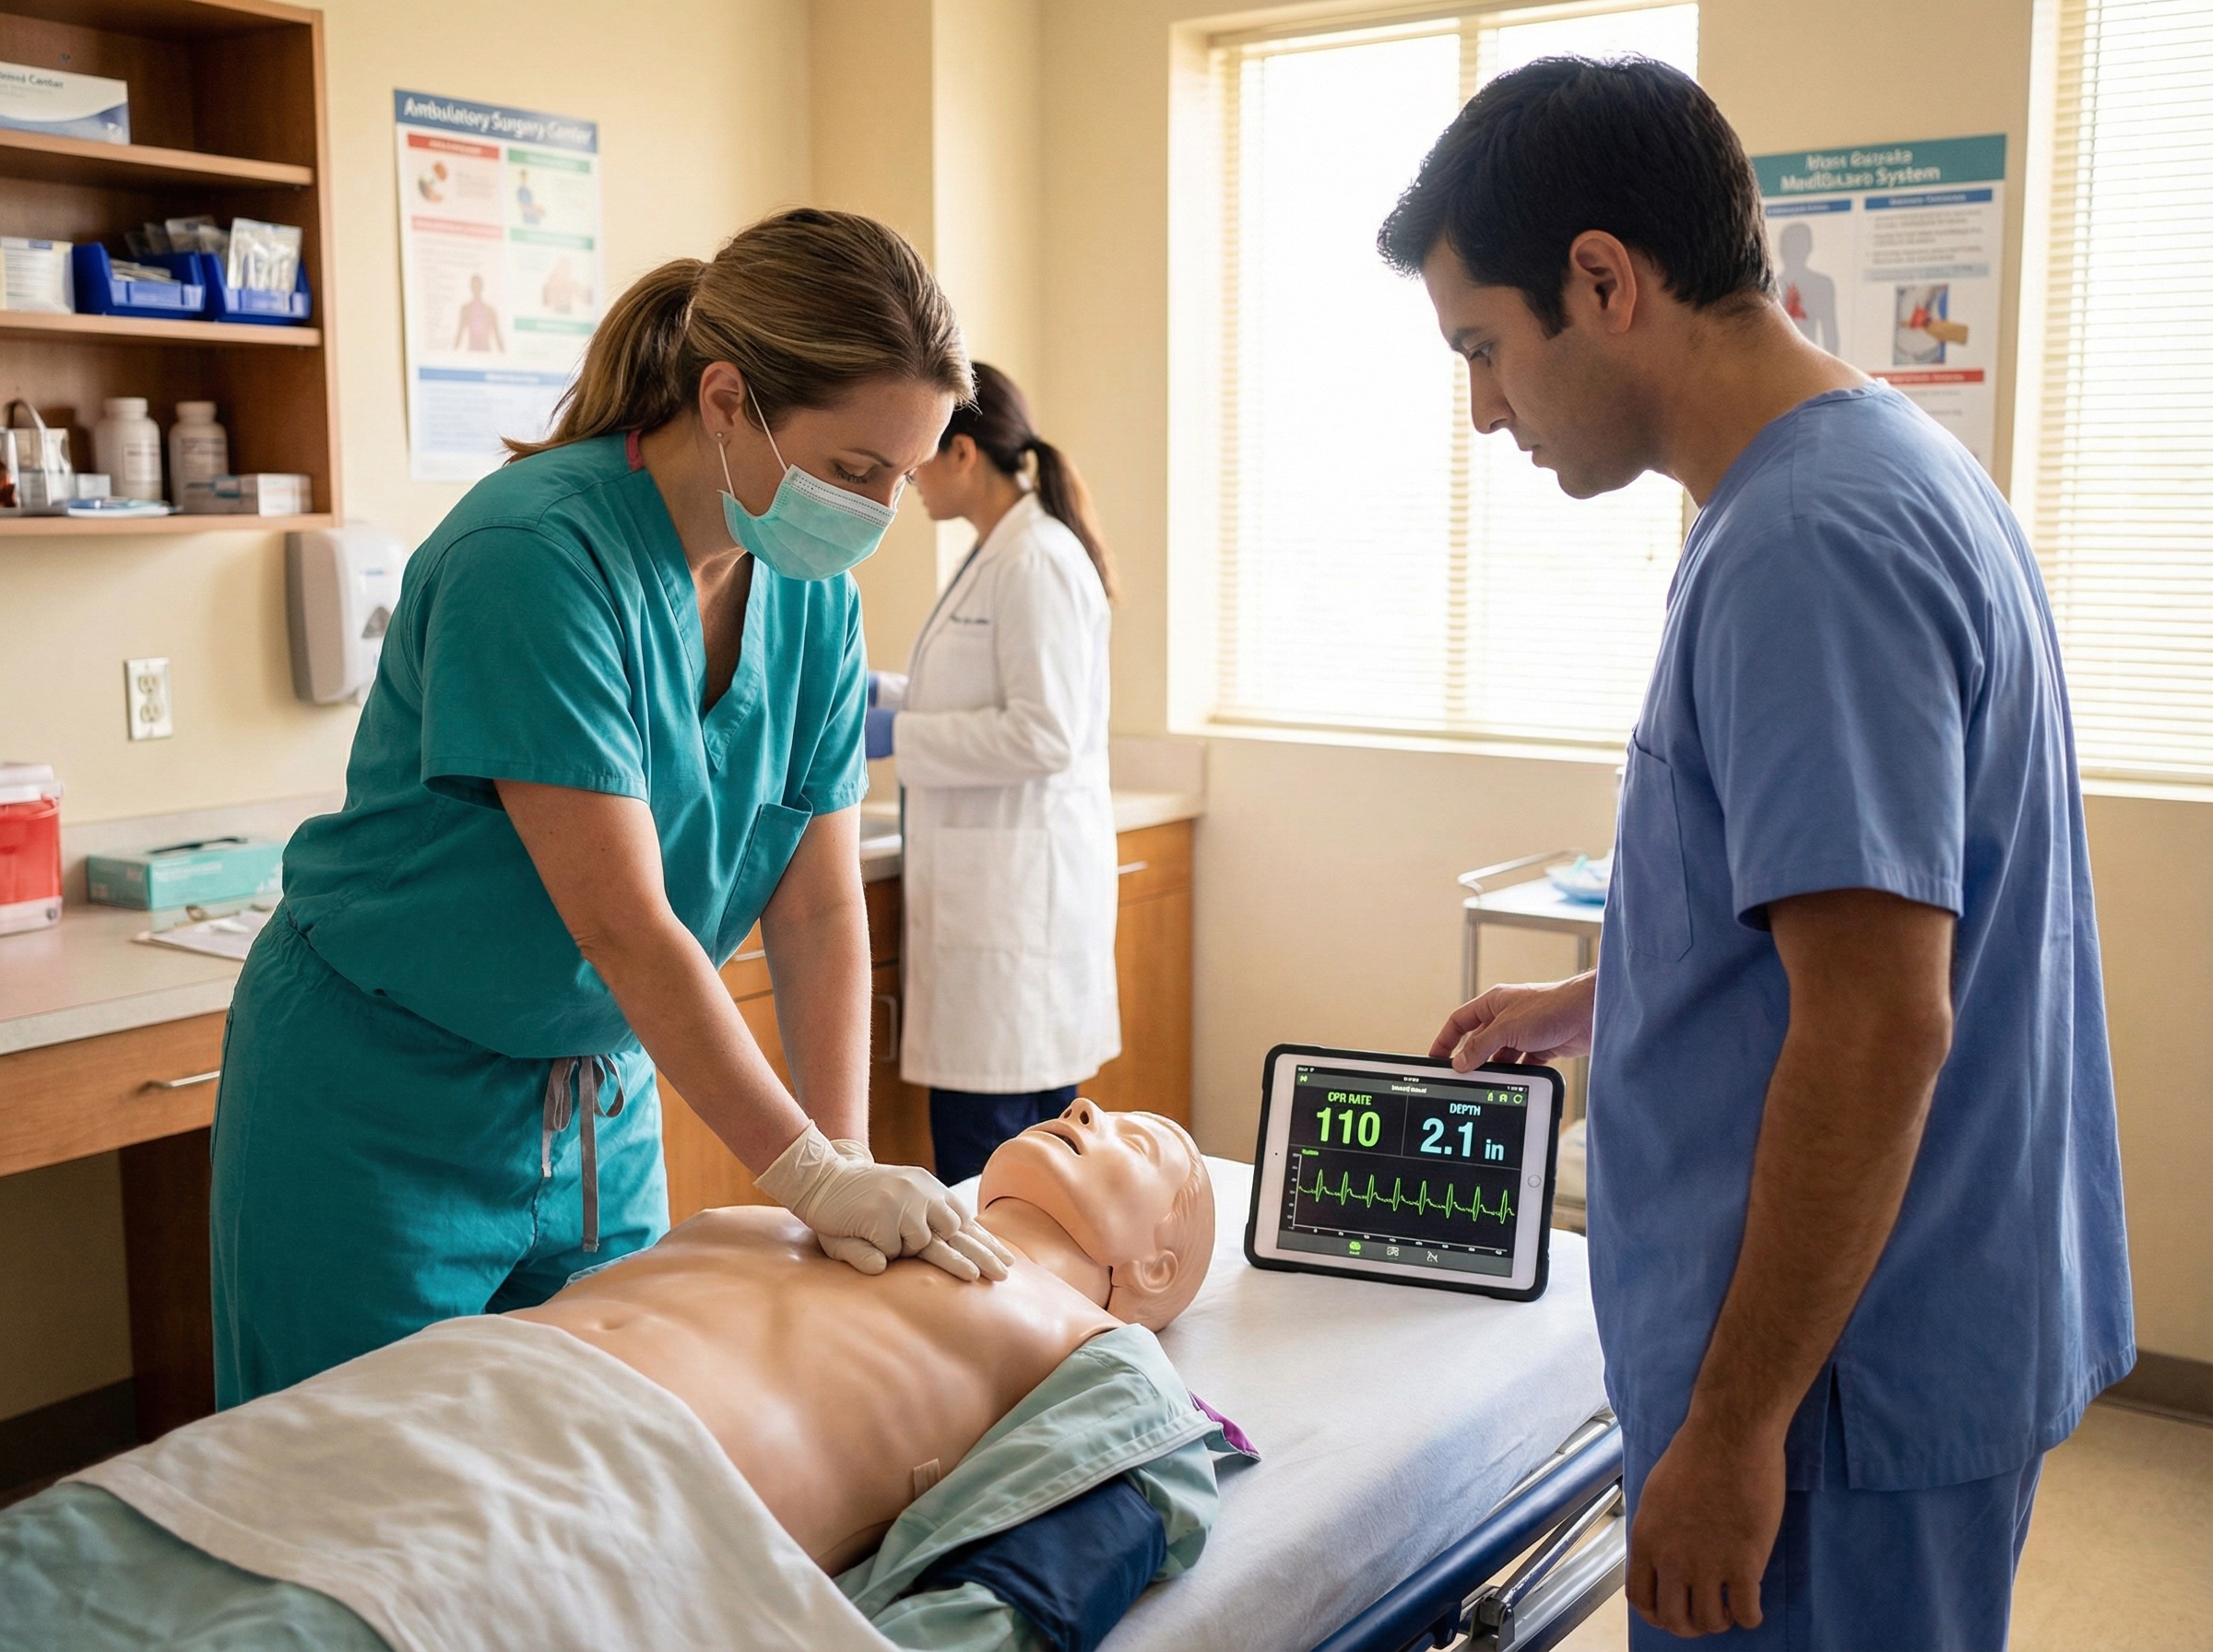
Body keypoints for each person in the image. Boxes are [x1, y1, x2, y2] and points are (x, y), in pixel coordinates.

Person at [1382, 59, 2132, 1650]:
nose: (1487, 409)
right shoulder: (1869, 470)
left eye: (1485, 349)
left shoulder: (1808, 545)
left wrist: (1730, 1435)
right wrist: (1613, 990)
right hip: (1897, 1338)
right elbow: (1856, 908)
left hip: (1835, 1399)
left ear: (1604, 279)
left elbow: (1879, 1020)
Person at [211, 207, 1014, 1411]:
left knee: (595, 1468)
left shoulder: (812, 600)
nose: (878, 512)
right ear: (730, 399)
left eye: (904, 475)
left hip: (592, 1105)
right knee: (356, 1497)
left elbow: (817, 909)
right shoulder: (536, 556)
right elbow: (626, 923)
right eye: (856, 470)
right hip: (383, 1104)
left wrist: (842, 1163)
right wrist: (800, 1172)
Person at [11, 1107, 1233, 1652]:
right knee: (72, 1557)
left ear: (1160, 1263)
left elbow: (1050, 1564)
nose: (1086, 1105)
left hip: (611, 1496)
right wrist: (827, 1168)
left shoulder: (1094, 1356)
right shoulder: (827, 1209)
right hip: (442, 1392)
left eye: (1145, 1138)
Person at [867, 363, 1124, 1185]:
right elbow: (979, 691)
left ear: (965, 452)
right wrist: (878, 693)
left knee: (996, 1178)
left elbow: (1044, 732)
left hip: (1018, 926)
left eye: (916, 461)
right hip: (997, 917)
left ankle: (1010, 1316)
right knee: (1006, 1172)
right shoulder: (1000, 551)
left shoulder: (1034, 558)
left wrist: (897, 731)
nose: (908, 482)